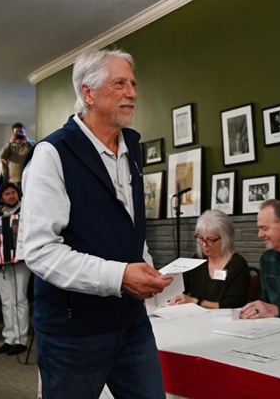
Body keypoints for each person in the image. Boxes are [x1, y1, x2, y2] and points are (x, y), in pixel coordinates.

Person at [21, 47, 172, 398]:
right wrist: (120, 277)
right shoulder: (52, 153)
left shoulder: (133, 149)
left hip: (131, 323)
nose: (132, 92)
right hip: (73, 332)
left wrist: (145, 269)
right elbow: (41, 252)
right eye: (120, 83)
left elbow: (129, 227)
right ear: (87, 93)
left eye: (133, 83)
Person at [169, 210, 249, 309]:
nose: (204, 245)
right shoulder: (198, 260)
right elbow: (180, 288)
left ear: (226, 238)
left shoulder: (238, 264)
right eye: (200, 238)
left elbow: (233, 304)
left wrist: (195, 301)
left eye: (211, 240)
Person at [0, 182, 30, 356]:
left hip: (21, 261)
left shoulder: (27, 212)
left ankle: (21, 339)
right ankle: (9, 338)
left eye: (13, 193)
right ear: (2, 197)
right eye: (7, 194)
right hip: (3, 262)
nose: (10, 196)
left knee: (20, 299)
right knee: (7, 301)